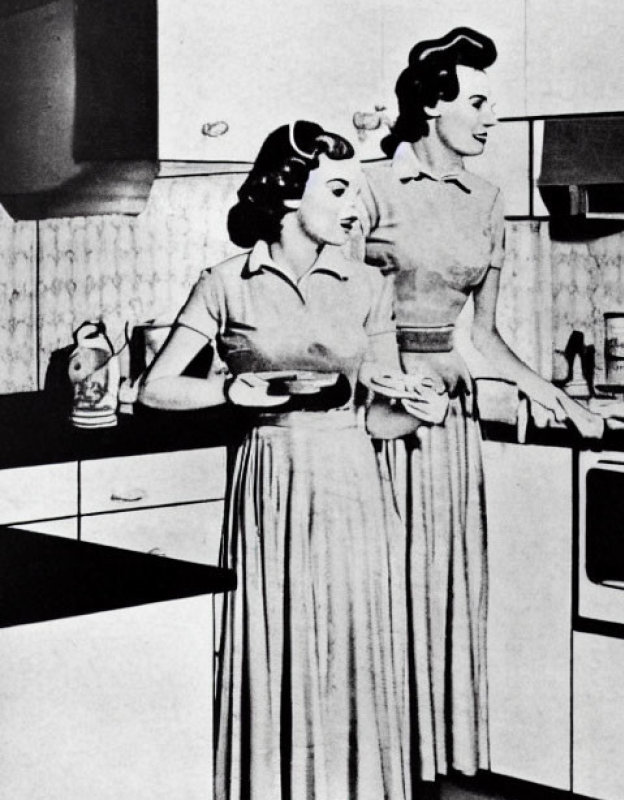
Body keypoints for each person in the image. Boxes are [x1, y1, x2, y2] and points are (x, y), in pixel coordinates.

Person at [139, 121, 434, 800]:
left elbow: (380, 415)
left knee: (353, 644)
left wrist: (420, 407)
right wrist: (229, 389)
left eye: (358, 191)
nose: (357, 207)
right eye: (339, 189)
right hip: (270, 475)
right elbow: (156, 387)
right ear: (288, 192)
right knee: (277, 642)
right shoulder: (225, 282)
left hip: (353, 478)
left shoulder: (368, 284)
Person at [358, 27, 605, 786]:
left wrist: (549, 391)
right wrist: (387, 382)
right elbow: (339, 315)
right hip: (375, 418)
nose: (491, 117)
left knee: (436, 594)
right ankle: (373, 767)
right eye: (478, 102)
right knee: (379, 592)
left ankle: (428, 767)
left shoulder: (490, 199)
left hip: (448, 426)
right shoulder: (365, 186)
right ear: (433, 105)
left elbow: (485, 333)